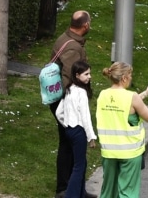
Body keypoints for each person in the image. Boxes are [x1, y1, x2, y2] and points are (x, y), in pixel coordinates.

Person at [95, 62, 148, 198]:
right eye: (130, 75)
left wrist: (145, 93)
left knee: (108, 192)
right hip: (130, 153)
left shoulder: (102, 95)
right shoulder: (131, 97)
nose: (131, 78)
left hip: (109, 152)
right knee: (127, 193)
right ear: (124, 78)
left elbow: (122, 106)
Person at [51, 11, 91, 198]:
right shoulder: (73, 48)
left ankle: (76, 190)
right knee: (70, 145)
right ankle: (65, 189)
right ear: (85, 26)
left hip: (62, 100)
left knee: (67, 144)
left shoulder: (64, 37)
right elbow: (71, 76)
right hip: (67, 103)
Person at [55, 60, 96, 198]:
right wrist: (91, 137)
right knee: (78, 166)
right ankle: (71, 195)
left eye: (89, 73)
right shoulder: (81, 92)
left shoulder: (69, 88)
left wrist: (66, 123)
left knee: (81, 162)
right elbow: (85, 117)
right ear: (77, 75)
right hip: (79, 131)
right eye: (86, 74)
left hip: (69, 131)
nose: (89, 76)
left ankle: (81, 193)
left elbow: (59, 112)